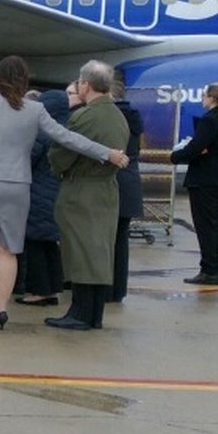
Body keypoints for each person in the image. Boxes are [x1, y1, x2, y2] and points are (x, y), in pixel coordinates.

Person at [0, 57, 125, 329]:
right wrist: (107, 153)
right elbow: (67, 138)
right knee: (8, 250)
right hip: (18, 185)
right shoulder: (35, 110)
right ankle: (0, 308)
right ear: (25, 81)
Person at [45, 61, 130, 331]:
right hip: (106, 189)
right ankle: (94, 314)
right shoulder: (118, 116)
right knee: (98, 252)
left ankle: (80, 313)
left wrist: (56, 164)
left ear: (86, 85)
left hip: (82, 189)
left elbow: (61, 154)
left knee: (80, 251)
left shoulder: (85, 117)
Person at [169, 82, 218, 286]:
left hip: (206, 180)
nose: (202, 98)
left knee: (205, 226)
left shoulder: (209, 120)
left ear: (211, 98)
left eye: (204, 95)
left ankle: (209, 270)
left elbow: (195, 147)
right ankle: (216, 269)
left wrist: (174, 156)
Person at [12, 89, 71, 306]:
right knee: (49, 243)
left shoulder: (43, 131)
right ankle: (54, 287)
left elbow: (26, 158)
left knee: (35, 242)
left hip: (38, 192)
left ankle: (39, 291)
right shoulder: (67, 128)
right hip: (57, 191)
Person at [110, 77, 144, 302]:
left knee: (106, 241)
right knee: (121, 241)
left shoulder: (111, 117)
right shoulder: (134, 117)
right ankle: (118, 289)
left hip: (113, 182)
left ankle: (105, 288)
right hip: (131, 182)